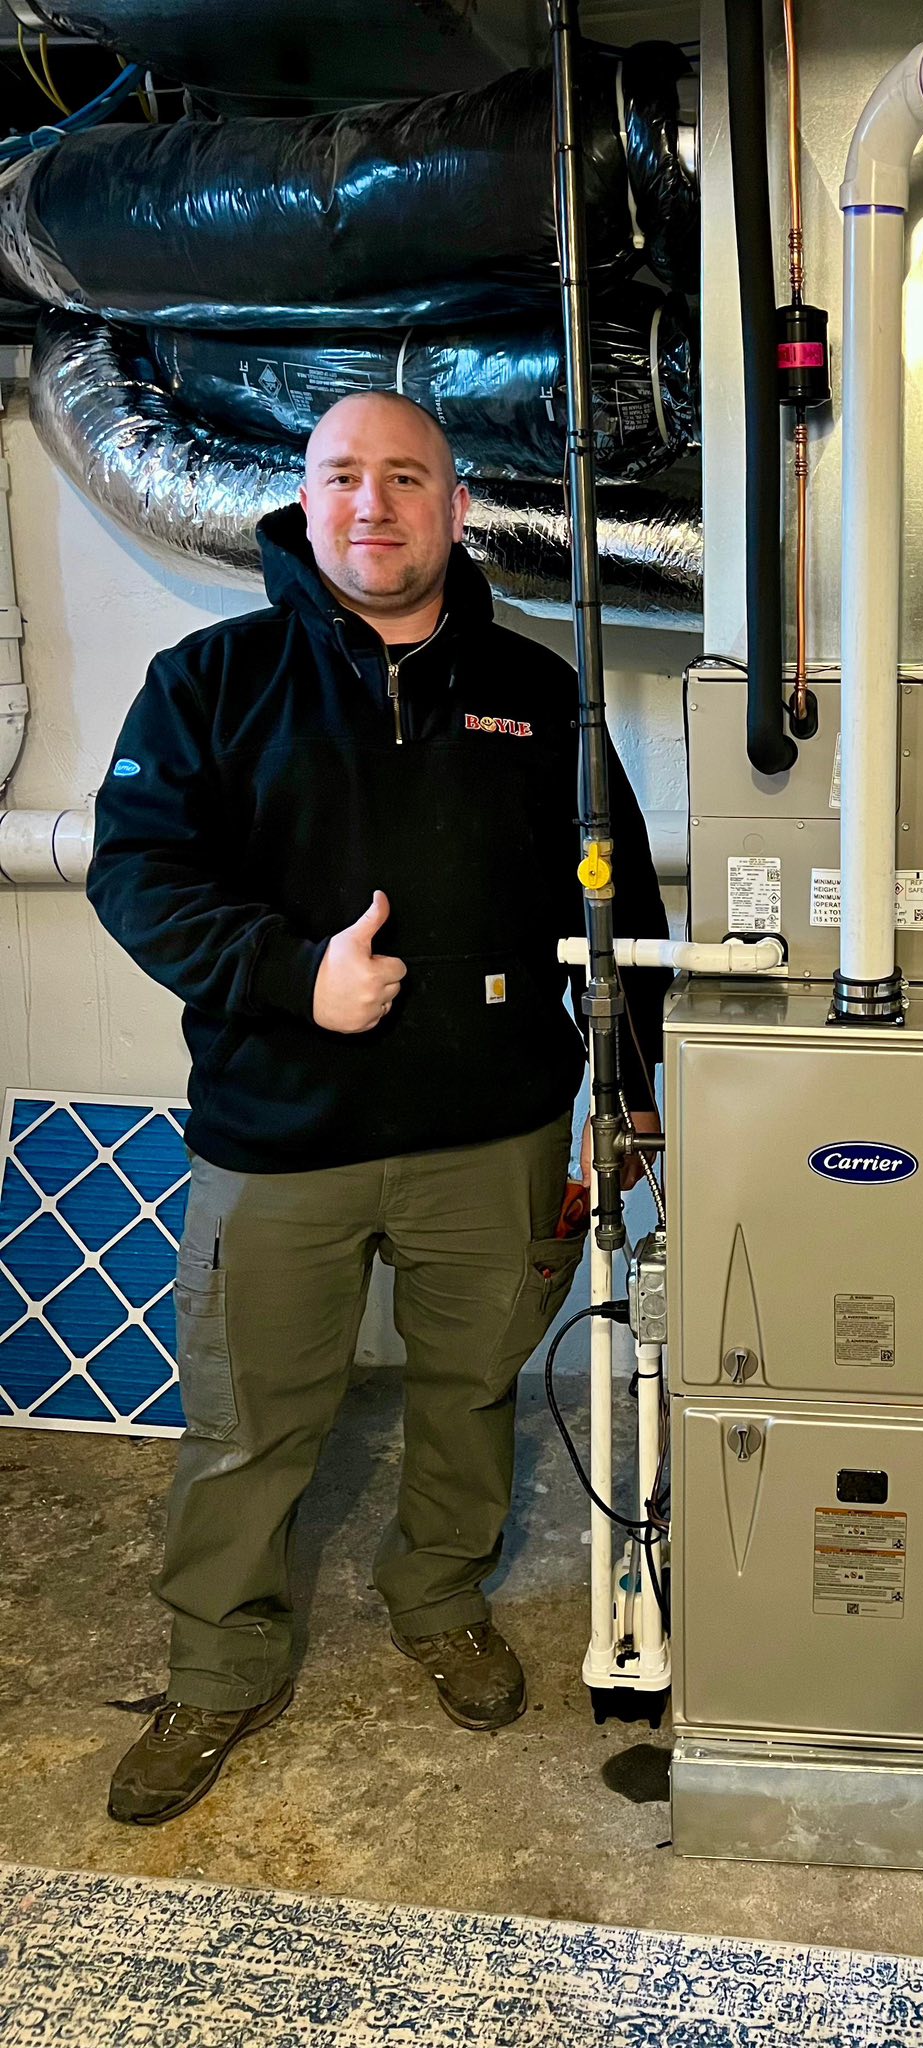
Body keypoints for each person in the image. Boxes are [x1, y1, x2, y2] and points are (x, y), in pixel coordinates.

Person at [87, 392, 668, 1826]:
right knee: (247, 1421)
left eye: (407, 477)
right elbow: (138, 874)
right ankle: (219, 1669)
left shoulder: (542, 700)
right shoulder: (209, 680)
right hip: (277, 1139)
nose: (373, 504)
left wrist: (636, 1095)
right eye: (344, 475)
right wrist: (296, 977)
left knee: (469, 1396)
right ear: (303, 495)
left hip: (495, 1136)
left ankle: (439, 1596)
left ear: (454, 507)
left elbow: (623, 913)